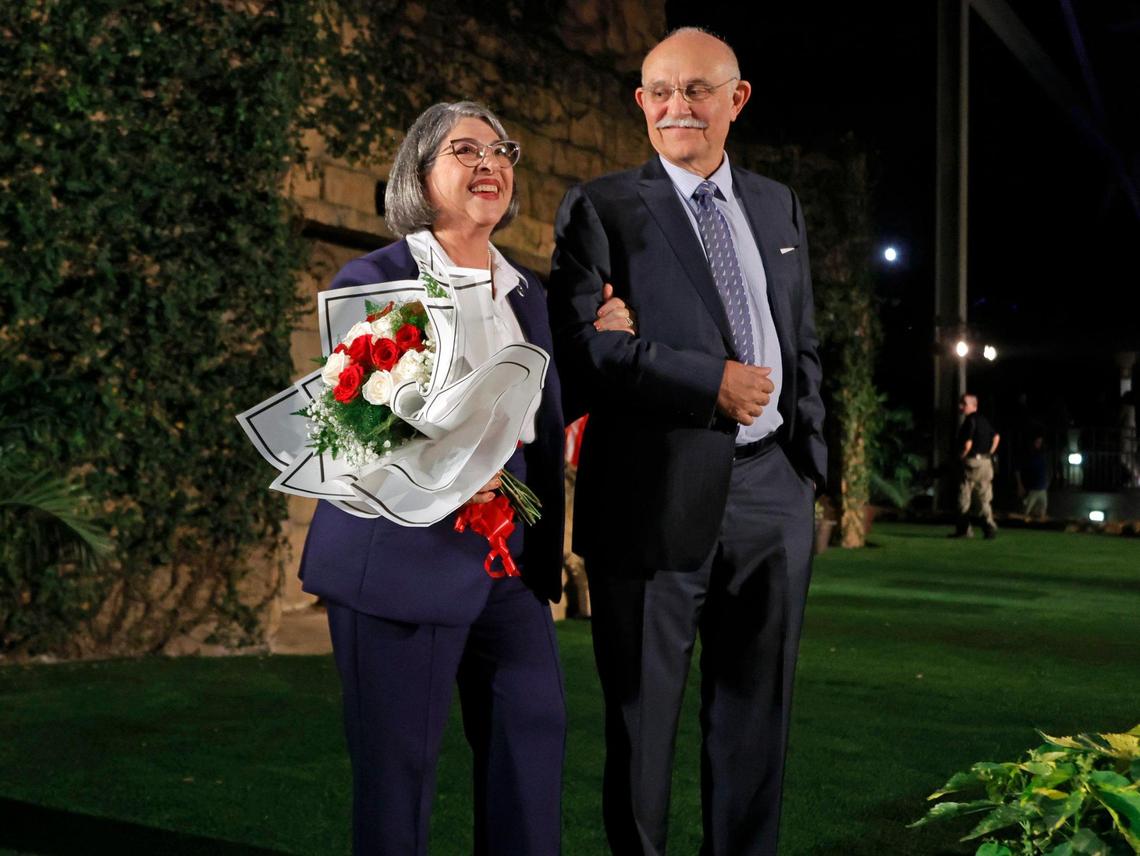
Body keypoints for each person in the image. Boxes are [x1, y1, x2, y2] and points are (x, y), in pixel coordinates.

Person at [298, 101, 631, 856]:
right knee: (400, 774)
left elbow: (535, 412)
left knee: (532, 737)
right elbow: (356, 422)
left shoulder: (531, 295)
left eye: (501, 150)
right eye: (465, 150)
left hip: (504, 562)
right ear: (419, 176)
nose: (491, 163)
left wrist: (599, 351)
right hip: (398, 565)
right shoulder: (375, 277)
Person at [548, 28, 827, 856]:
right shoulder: (600, 206)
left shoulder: (777, 205)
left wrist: (808, 467)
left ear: (735, 100)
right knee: (643, 726)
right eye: (659, 92)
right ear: (640, 102)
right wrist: (711, 381)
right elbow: (584, 350)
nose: (678, 108)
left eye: (697, 90)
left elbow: (801, 338)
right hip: (651, 497)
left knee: (757, 718)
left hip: (772, 491)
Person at [951, 393, 1001, 538]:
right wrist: (988, 453)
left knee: (964, 496)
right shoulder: (984, 420)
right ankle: (989, 527)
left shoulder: (969, 421)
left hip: (971, 463)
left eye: (964, 404)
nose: (961, 407)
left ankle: (964, 530)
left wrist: (961, 457)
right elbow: (996, 437)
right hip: (986, 463)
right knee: (984, 497)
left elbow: (968, 444)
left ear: (973, 405)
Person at [1015, 433, 1049, 519]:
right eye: (1037, 442)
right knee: (1026, 512)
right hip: (1032, 489)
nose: (1039, 445)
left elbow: (1046, 469)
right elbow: (1017, 470)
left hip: (1042, 489)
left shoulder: (1042, 455)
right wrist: (1020, 485)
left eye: (1040, 442)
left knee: (1041, 514)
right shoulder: (1028, 455)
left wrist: (1047, 483)